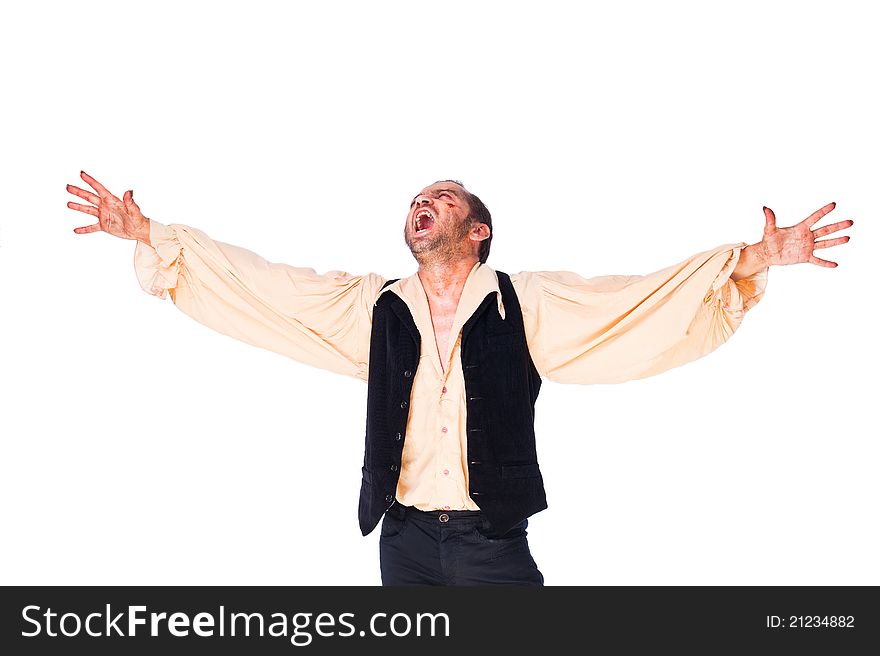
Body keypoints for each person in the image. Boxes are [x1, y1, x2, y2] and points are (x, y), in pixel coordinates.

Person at [66, 171, 853, 586]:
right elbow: (267, 286)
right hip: (402, 542)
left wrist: (749, 261)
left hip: (489, 545)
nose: (423, 202)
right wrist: (151, 234)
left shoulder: (527, 303)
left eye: (441, 197)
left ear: (476, 230)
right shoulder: (373, 309)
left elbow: (634, 302)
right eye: (417, 197)